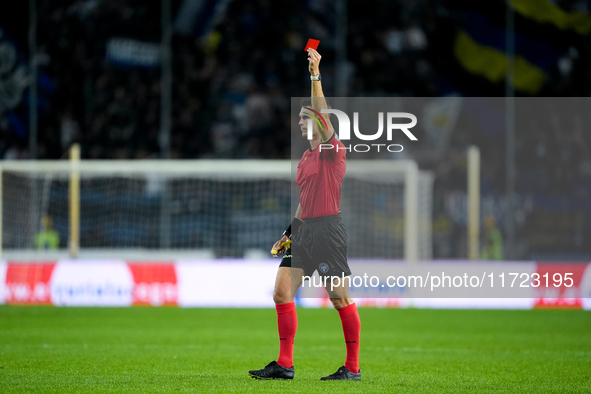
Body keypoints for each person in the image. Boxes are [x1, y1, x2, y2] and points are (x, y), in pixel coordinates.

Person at [248, 48, 361, 381]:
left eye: (304, 118)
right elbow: (303, 201)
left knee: (339, 298)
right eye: (299, 118)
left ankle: (352, 368)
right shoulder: (306, 160)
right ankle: (285, 365)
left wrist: (315, 74)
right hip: (306, 232)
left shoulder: (332, 152)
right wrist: (289, 232)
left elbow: (322, 115)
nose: (300, 123)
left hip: (328, 231)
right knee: (282, 291)